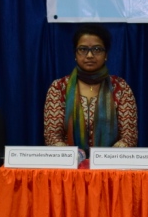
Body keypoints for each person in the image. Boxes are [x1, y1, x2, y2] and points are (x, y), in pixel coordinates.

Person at [44, 24, 137, 154]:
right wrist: (76, 157)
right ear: (75, 54)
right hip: (69, 162)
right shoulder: (59, 87)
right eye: (83, 49)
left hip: (110, 162)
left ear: (106, 55)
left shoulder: (120, 87)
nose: (89, 55)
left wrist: (104, 158)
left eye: (97, 49)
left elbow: (129, 136)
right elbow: (52, 136)